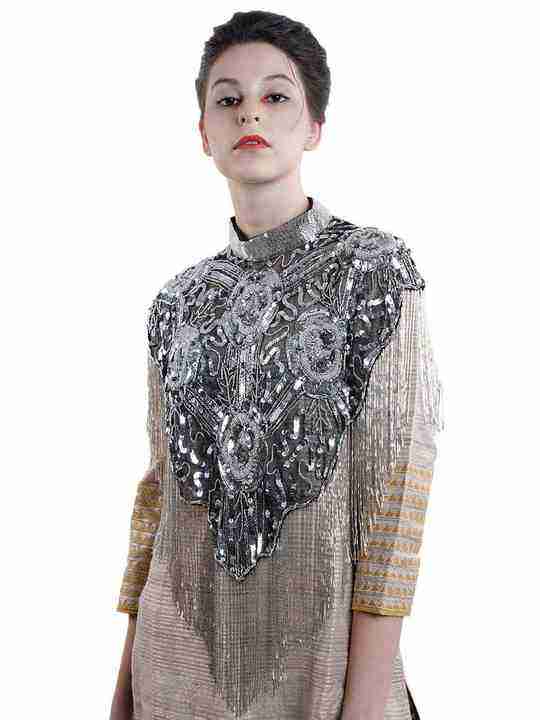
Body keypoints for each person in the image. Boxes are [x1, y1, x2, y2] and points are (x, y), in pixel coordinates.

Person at [110, 10, 444, 720]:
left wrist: (364, 703)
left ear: (314, 126)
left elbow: (397, 489)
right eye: (228, 99)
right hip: (173, 675)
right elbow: (158, 497)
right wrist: (123, 690)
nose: (250, 113)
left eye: (276, 95)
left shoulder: (373, 269)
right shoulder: (175, 303)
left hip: (321, 677)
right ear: (204, 133)